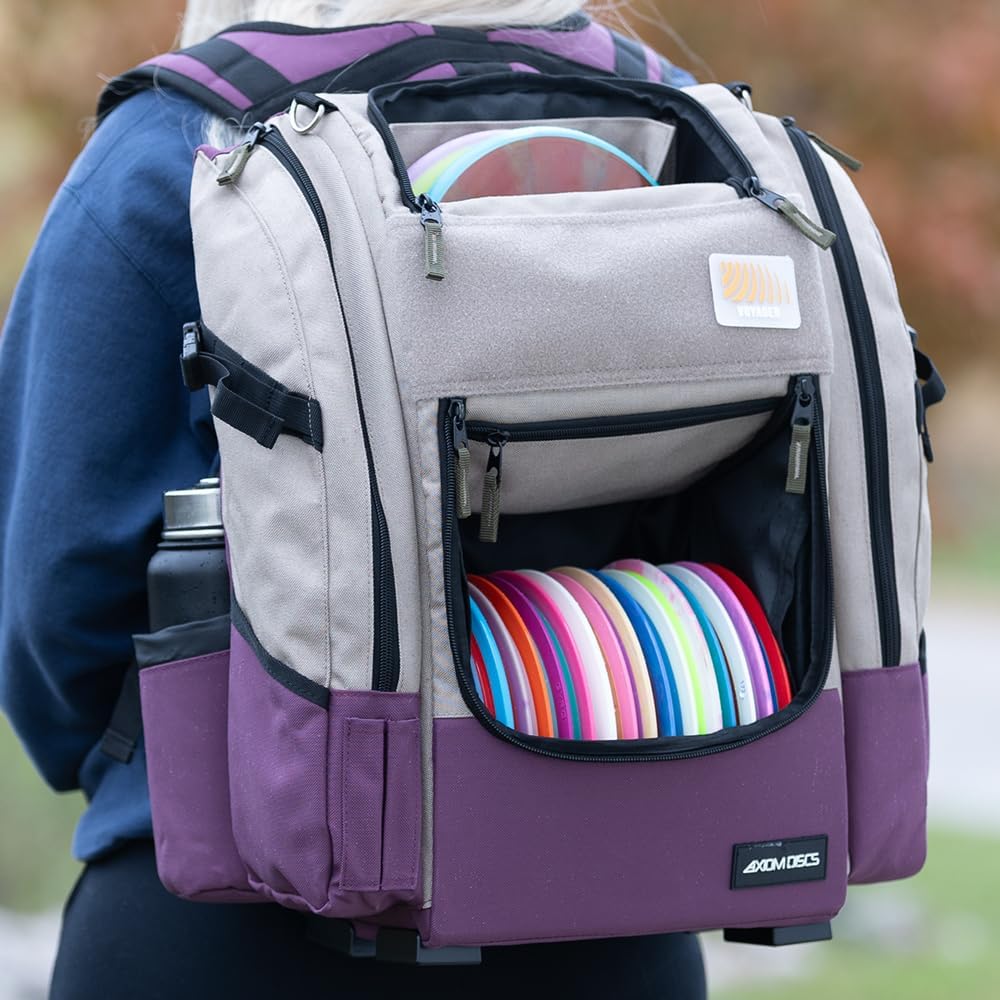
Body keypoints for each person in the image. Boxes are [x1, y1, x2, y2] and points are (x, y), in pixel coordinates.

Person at [0, 2, 706, 997]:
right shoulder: (675, 126)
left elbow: (53, 592)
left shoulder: (180, 143)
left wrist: (142, 753)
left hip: (222, 905)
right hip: (611, 898)